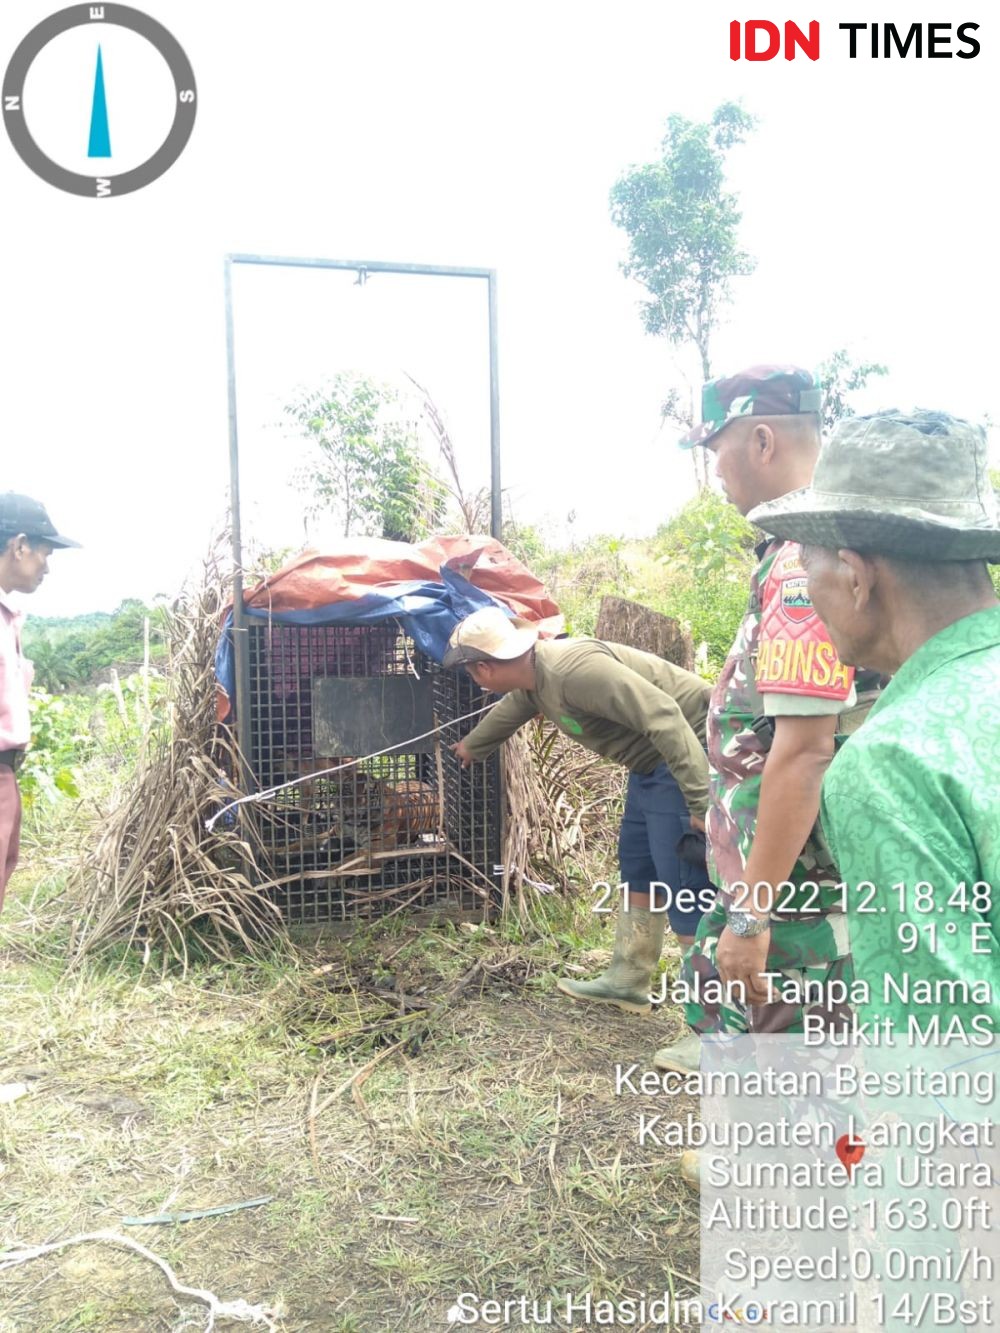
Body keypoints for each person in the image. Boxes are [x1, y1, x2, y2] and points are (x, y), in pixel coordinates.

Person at [747, 409, 1000, 1037]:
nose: (806, 586)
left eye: (809, 567)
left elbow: (946, 1060)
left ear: (856, 577)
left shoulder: (890, 762)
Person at [657, 366, 859, 1072]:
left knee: (794, 1057)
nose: (714, 472)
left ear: (762, 440)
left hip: (791, 891)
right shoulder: (793, 553)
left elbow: (806, 753)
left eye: (716, 449)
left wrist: (754, 912)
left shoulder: (802, 568)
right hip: (769, 880)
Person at [444, 605, 714, 1013]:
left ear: (483, 669)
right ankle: (628, 979)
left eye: (469, 672)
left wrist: (701, 801)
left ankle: (713, 1025)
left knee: (685, 884)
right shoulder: (534, 678)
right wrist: (472, 747)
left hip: (687, 753)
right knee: (638, 867)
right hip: (650, 765)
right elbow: (515, 708)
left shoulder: (574, 672)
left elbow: (664, 716)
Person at [0, 493, 80, 914]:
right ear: (19, 545)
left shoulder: (9, 616)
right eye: (45, 554)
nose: (47, 567)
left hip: (7, 773)